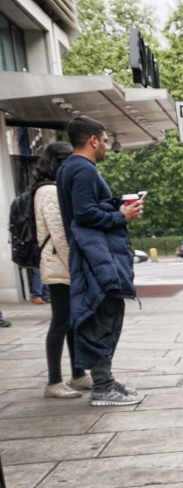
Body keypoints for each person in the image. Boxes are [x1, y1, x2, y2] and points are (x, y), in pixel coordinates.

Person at [57, 115, 143, 406]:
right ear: (93, 140)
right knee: (104, 313)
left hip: (90, 251)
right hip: (95, 254)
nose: (106, 146)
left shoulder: (69, 168)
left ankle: (104, 380)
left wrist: (115, 208)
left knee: (103, 312)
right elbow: (84, 214)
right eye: (105, 140)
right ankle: (103, 386)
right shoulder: (83, 169)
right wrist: (122, 215)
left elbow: (85, 210)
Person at [32, 142, 92, 398]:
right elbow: (60, 235)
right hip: (60, 264)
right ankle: (54, 381)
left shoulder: (53, 189)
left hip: (60, 263)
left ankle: (77, 374)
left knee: (70, 322)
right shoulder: (49, 192)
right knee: (61, 321)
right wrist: (76, 267)